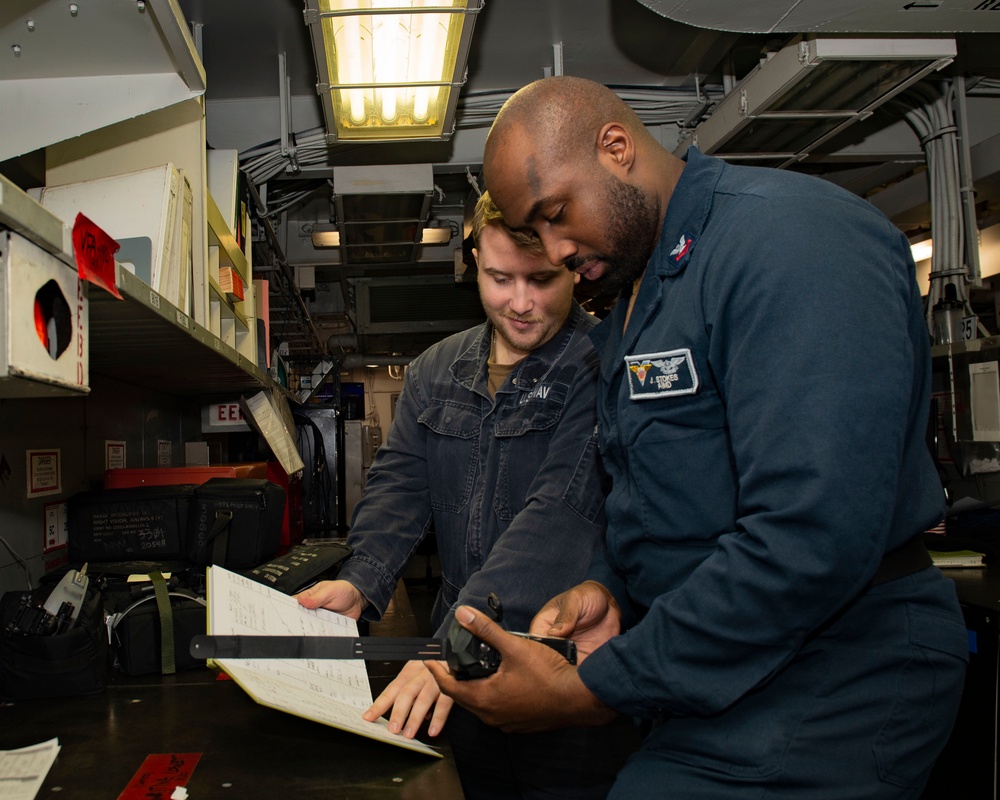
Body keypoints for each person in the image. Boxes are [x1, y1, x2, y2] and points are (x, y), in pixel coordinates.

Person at [426, 75, 969, 799]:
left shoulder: (792, 243)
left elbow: (811, 535)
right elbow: (657, 499)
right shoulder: (638, 300)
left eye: (557, 214)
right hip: (716, 666)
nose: (554, 251)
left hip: (838, 664)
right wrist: (608, 589)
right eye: (535, 232)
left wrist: (593, 691)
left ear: (616, 147)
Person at [297, 190, 638, 799]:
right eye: (500, 278)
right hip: (463, 664)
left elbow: (562, 508)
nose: (522, 303)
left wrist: (450, 641)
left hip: (563, 660)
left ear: (572, 262)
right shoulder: (435, 369)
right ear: (472, 259)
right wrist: (362, 579)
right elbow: (399, 483)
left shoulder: (602, 362)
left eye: (543, 279)